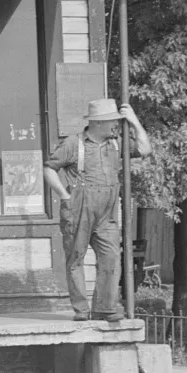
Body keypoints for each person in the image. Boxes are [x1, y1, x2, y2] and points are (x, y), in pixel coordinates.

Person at [42, 99, 152, 322]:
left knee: (111, 257)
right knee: (76, 259)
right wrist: (64, 195)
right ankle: (81, 310)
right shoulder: (73, 144)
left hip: (108, 211)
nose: (114, 124)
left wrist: (134, 121)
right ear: (98, 123)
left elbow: (145, 149)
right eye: (111, 120)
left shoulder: (116, 143)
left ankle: (105, 308)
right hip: (79, 207)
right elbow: (48, 169)